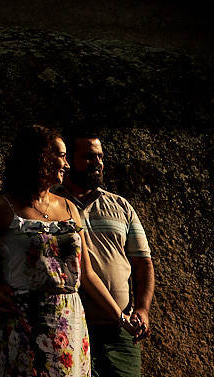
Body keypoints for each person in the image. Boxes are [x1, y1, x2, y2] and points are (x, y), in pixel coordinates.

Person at [0, 124, 139, 377]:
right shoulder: (5, 208)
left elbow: (87, 274)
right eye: (61, 156)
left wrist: (121, 318)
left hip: (70, 324)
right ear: (40, 157)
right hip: (25, 323)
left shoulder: (69, 208)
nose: (66, 164)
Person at [53, 131, 154, 377]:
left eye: (100, 156)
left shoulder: (121, 206)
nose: (97, 162)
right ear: (68, 160)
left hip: (120, 331)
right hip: (67, 328)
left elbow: (143, 263)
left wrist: (142, 309)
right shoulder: (49, 204)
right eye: (89, 157)